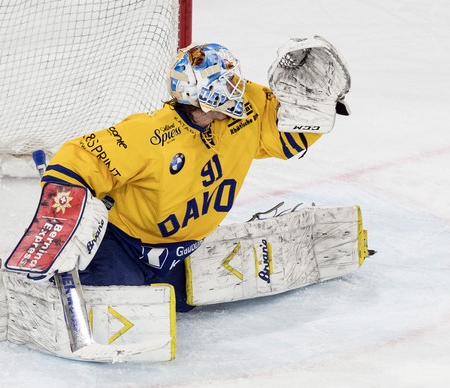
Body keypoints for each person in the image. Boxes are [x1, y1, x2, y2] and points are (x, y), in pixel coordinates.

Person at [39, 40, 350, 312]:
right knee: (117, 303)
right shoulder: (151, 134)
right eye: (226, 82)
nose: (237, 88)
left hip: (183, 250)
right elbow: (82, 157)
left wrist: (315, 104)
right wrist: (62, 210)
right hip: (123, 246)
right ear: (204, 93)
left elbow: (287, 136)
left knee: (180, 302)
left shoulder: (246, 111)